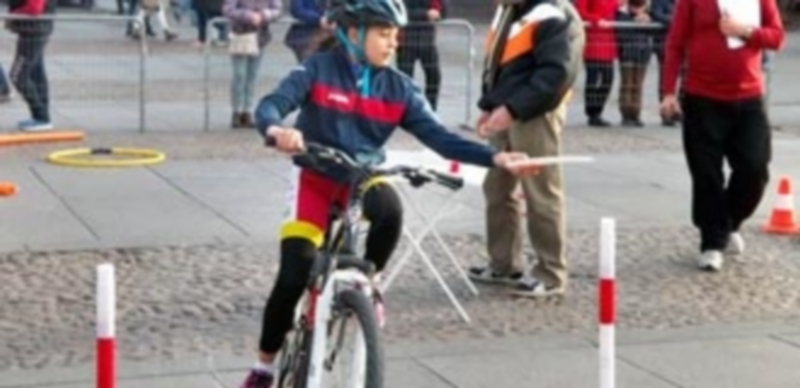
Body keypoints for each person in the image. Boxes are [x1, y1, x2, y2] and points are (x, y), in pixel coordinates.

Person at [243, 0, 539, 385]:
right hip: (314, 179)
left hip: (361, 176)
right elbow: (271, 105)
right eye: (384, 34)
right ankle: (264, 366)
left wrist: (496, 159)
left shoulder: (399, 88)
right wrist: (276, 130)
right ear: (354, 34)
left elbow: (442, 139)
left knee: (390, 211)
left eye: (395, 35)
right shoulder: (319, 69)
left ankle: (371, 284)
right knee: (294, 272)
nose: (393, 43)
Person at [468, 0, 584, 297]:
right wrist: (489, 104)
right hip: (508, 108)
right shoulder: (510, 10)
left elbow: (555, 75)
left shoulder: (556, 13)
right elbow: (496, 63)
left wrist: (512, 109)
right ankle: (503, 263)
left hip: (534, 113)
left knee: (540, 192)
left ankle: (550, 273)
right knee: (497, 187)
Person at [660, 0, 784, 271]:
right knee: (706, 174)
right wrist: (669, 91)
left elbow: (776, 37)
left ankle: (728, 222)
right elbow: (676, 42)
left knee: (755, 167)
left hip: (749, 97)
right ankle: (712, 242)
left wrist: (746, 31)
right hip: (702, 97)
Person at [223, 0, 281, 128]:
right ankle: (237, 110)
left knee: (252, 75)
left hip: (260, 36)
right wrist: (248, 15)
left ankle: (247, 110)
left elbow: (277, 9)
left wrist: (264, 15)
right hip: (241, 34)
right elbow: (228, 9)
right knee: (239, 74)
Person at [7, 0, 55, 131]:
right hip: (35, 28)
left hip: (34, 29)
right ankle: (42, 116)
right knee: (36, 74)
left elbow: (34, 8)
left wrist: (14, 15)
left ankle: (40, 114)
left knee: (18, 76)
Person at [396, 0, 444, 110]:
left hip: (427, 41)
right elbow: (401, 11)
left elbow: (443, 10)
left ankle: (430, 108)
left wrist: (438, 12)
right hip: (407, 41)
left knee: (434, 76)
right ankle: (405, 110)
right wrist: (425, 14)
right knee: (405, 79)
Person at [575, 0, 617, 127]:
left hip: (607, 40)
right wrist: (596, 20)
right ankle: (592, 112)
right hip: (593, 40)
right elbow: (580, 12)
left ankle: (597, 109)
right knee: (592, 79)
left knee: (607, 79)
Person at [615, 0, 652, 127]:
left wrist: (647, 21)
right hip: (627, 53)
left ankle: (636, 113)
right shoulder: (622, 12)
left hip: (643, 53)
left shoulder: (648, 13)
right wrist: (635, 22)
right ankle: (626, 113)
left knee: (638, 84)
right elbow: (621, 32)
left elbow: (653, 32)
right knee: (627, 83)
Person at [649, 0, 679, 126]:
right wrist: (676, 21)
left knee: (684, 80)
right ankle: (667, 113)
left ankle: (679, 111)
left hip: (682, 44)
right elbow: (656, 14)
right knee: (666, 79)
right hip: (664, 43)